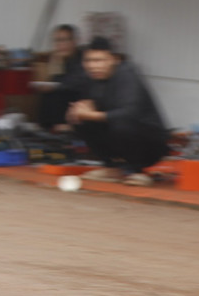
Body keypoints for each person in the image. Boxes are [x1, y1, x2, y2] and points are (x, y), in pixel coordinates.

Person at [62, 37, 170, 185]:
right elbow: (88, 102)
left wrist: (90, 114)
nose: (93, 66)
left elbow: (129, 113)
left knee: (121, 123)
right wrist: (79, 109)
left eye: (99, 60)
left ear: (114, 59)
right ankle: (111, 167)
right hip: (117, 134)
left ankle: (137, 170)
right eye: (89, 61)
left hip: (149, 144)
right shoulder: (90, 77)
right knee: (80, 120)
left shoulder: (127, 73)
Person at [37, 23, 85, 129]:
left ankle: (65, 127)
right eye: (57, 41)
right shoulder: (60, 58)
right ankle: (45, 128)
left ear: (74, 41)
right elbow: (55, 80)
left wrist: (55, 87)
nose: (61, 45)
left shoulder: (83, 57)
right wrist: (56, 62)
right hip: (65, 98)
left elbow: (78, 82)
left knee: (58, 94)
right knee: (48, 95)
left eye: (65, 40)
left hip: (80, 99)